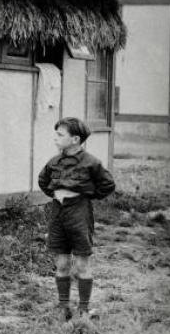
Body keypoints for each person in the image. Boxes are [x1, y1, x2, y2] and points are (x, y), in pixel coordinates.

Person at [37, 116, 116, 321]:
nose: (55, 138)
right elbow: (43, 181)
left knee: (82, 263)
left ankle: (83, 309)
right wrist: (57, 195)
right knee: (61, 263)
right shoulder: (54, 162)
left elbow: (107, 184)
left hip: (79, 213)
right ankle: (63, 307)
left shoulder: (91, 162)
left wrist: (86, 196)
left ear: (75, 139)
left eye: (60, 135)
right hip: (58, 213)